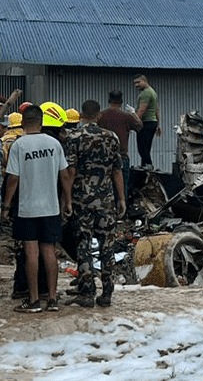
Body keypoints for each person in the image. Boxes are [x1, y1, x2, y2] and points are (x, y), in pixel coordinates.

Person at [2, 105, 71, 313]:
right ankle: (52, 298)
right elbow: (65, 175)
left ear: (23, 123)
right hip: (51, 208)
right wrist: (68, 201)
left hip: (27, 209)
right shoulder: (54, 144)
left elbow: (13, 178)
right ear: (41, 122)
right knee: (49, 251)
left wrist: (6, 206)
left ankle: (33, 301)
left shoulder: (19, 145)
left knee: (31, 252)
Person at [65, 100, 126, 308]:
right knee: (107, 247)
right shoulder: (111, 138)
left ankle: (87, 292)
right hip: (106, 201)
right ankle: (107, 292)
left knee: (83, 246)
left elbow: (70, 171)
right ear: (99, 115)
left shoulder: (74, 137)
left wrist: (67, 199)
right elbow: (117, 170)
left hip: (82, 201)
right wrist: (122, 199)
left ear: (82, 115)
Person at [97, 90, 142, 201]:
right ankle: (121, 213)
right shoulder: (126, 116)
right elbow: (140, 126)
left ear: (109, 100)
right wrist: (133, 113)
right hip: (121, 156)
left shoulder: (101, 115)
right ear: (121, 101)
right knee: (122, 188)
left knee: (103, 188)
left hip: (103, 157)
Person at [133, 73, 161, 168]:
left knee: (142, 147)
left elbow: (141, 110)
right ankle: (144, 166)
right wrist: (158, 124)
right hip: (152, 122)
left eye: (138, 82)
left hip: (146, 122)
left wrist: (133, 123)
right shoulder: (153, 92)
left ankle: (148, 166)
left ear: (144, 81)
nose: (136, 85)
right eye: (135, 83)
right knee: (146, 148)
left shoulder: (146, 93)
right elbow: (157, 110)